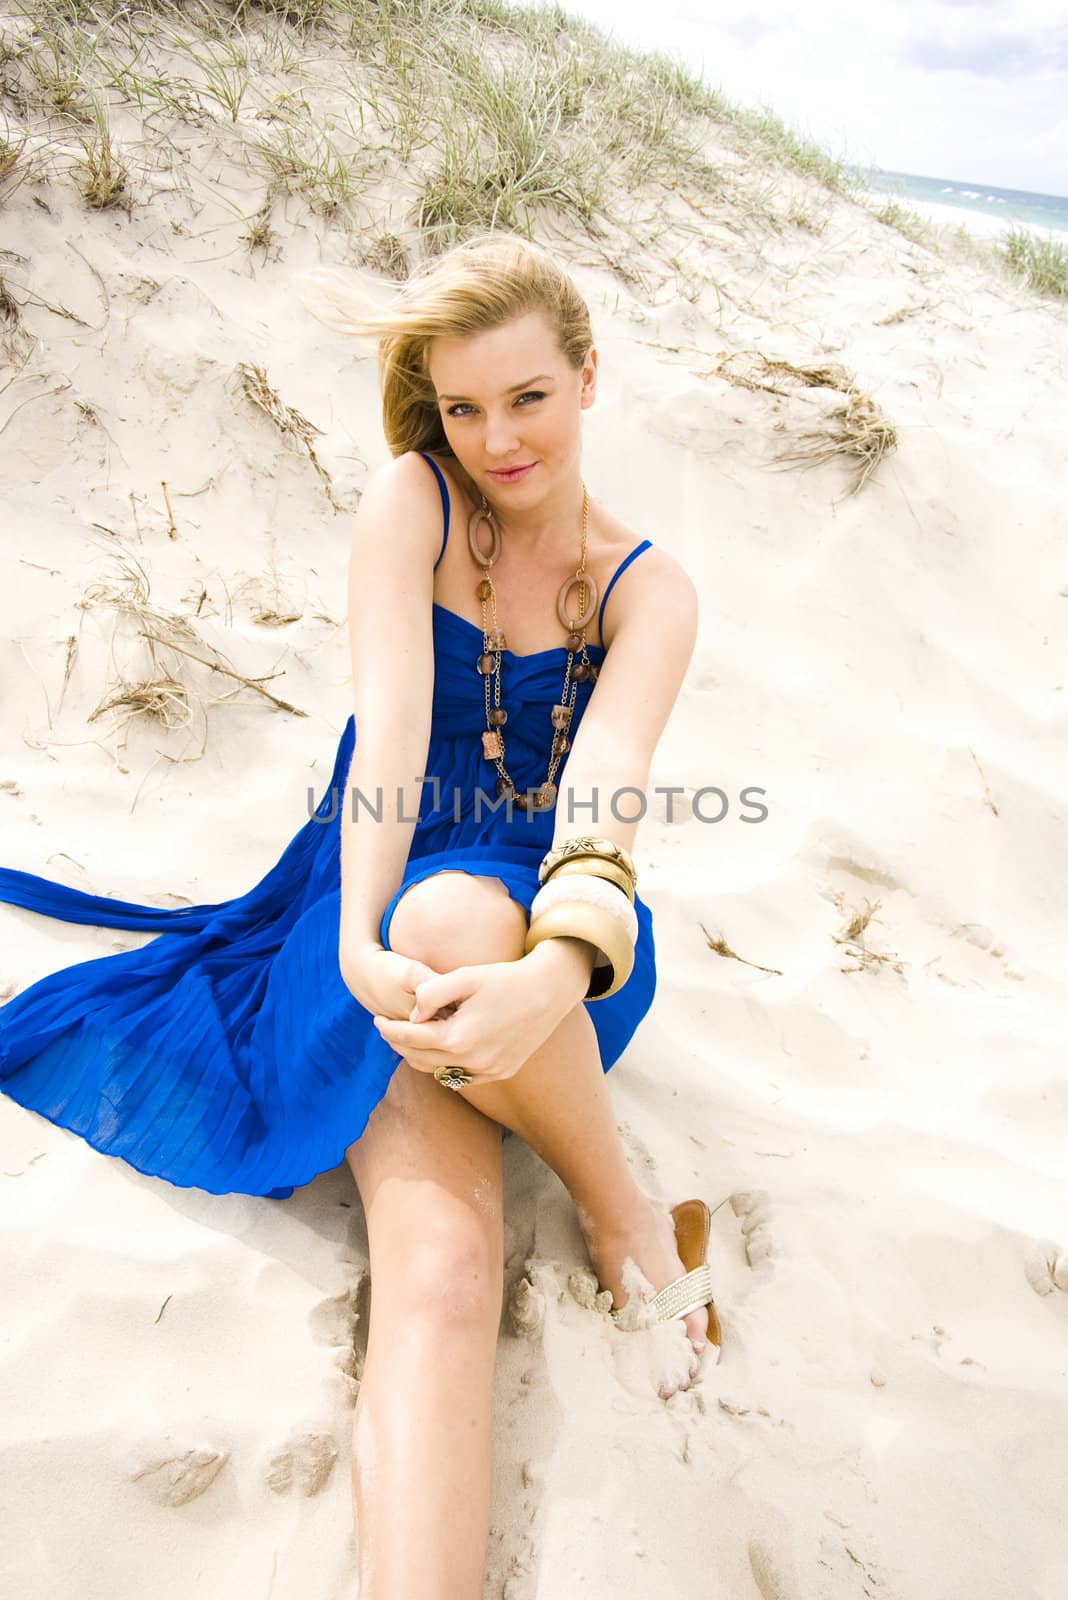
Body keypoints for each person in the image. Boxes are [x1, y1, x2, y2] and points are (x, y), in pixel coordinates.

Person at [0, 230, 722, 1598]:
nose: (495, 439)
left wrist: (556, 973)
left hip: (560, 929)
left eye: (527, 397)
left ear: (587, 376)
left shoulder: (650, 589)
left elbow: (605, 800)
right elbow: (389, 746)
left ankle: (618, 1205)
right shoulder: (416, 503)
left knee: (472, 920)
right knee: (444, 1268)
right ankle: (612, 1228)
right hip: (375, 899)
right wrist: (350, 943)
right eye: (463, 407)